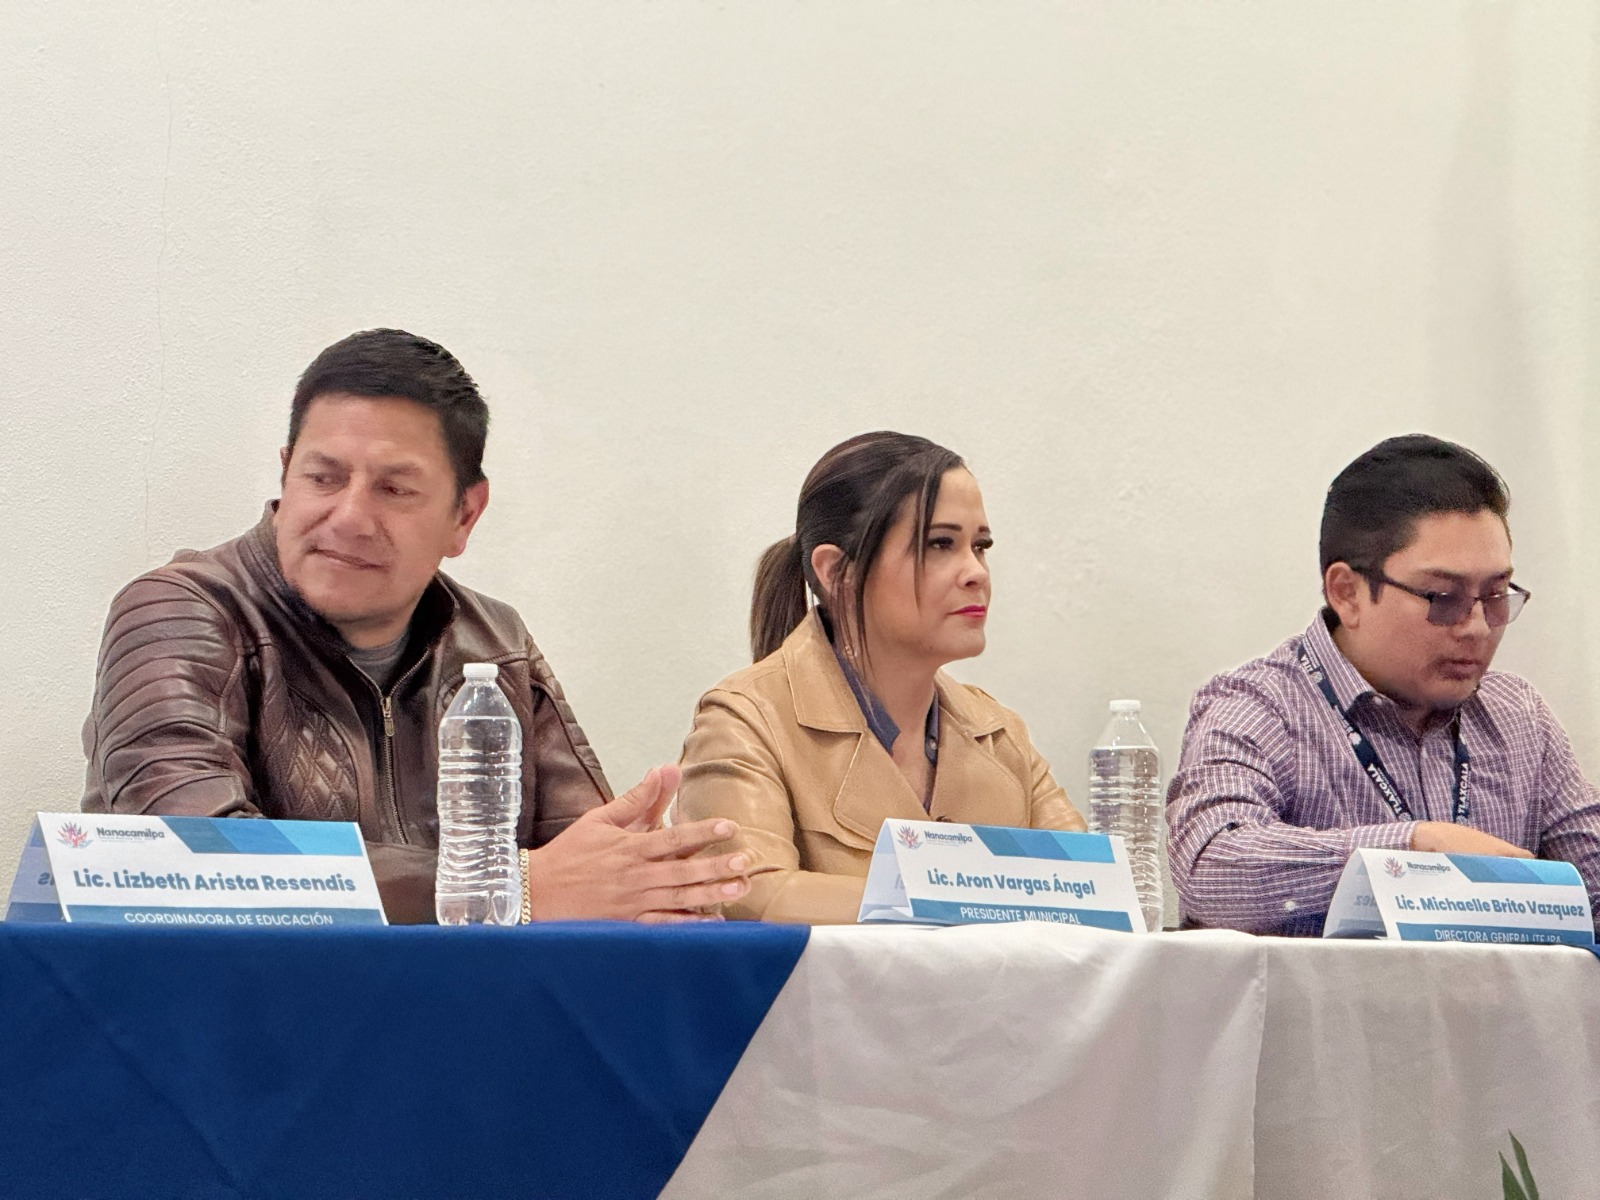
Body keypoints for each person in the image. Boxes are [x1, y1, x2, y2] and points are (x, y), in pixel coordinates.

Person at [81, 328, 749, 923]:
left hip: (456, 1009)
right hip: (230, 1010)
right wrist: (506, 888)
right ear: (286, 472)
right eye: (324, 478)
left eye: (394, 489)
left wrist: (647, 888)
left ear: (465, 515)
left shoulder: (495, 644)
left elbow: (582, 865)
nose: (348, 517)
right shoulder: (178, 610)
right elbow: (191, 854)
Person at [1167, 434, 1600, 935]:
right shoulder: (1259, 707)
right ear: (1347, 593)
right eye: (1443, 597)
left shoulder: (1517, 716)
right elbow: (1210, 867)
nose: (1478, 627)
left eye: (1497, 595)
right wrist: (1409, 852)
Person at [675, 431, 1084, 924]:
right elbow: (747, 894)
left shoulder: (1001, 735)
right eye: (940, 544)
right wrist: (967, 895)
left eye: (980, 546)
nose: (976, 571)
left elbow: (1092, 894)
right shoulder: (744, 720)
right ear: (837, 572)